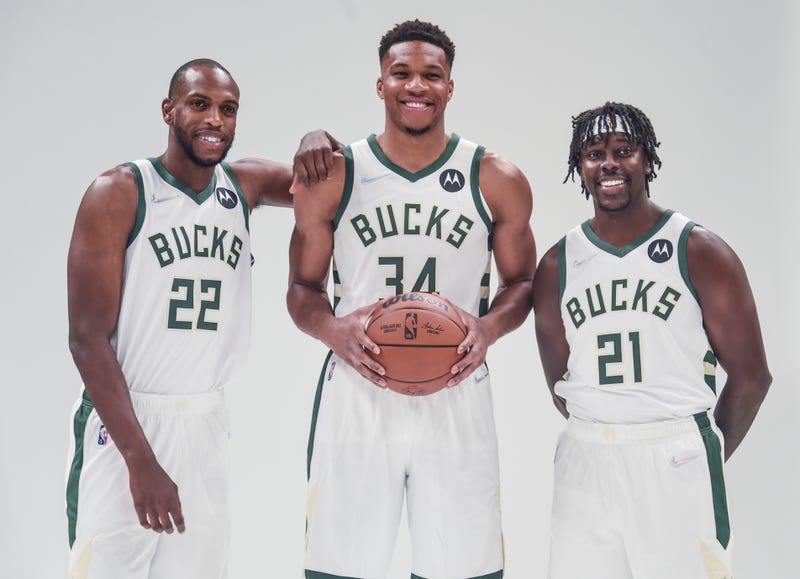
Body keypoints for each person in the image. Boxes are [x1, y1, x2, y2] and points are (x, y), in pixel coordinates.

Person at [65, 58, 338, 579]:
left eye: (228, 109)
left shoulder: (246, 184)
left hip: (206, 422)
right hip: (126, 421)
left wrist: (317, 136)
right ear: (169, 111)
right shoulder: (119, 191)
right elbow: (86, 340)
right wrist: (140, 461)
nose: (215, 119)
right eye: (199, 105)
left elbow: (331, 181)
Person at [287, 20, 536, 579]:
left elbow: (522, 284)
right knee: (339, 569)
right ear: (380, 85)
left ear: (451, 86)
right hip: (358, 387)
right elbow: (301, 290)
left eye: (431, 75)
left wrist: (489, 330)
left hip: (456, 386)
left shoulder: (494, 177)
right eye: (401, 73)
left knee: (465, 569)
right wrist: (333, 331)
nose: (416, 86)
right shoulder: (338, 175)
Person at [532, 102, 772, 578]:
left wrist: (698, 457)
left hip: (674, 449)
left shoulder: (698, 250)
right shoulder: (557, 265)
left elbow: (751, 378)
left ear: (648, 160)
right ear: (579, 168)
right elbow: (562, 383)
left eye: (624, 150)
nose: (609, 164)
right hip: (586, 459)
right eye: (594, 153)